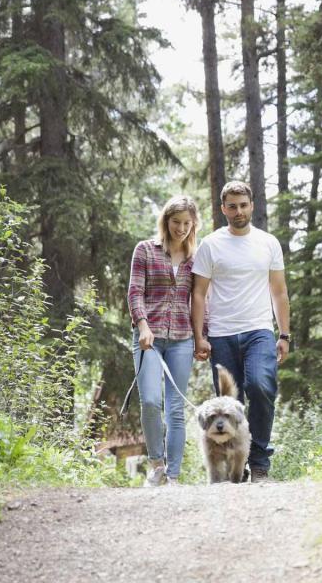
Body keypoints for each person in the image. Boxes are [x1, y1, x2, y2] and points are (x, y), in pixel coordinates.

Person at [191, 181, 290, 483]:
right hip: (221, 333)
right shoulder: (210, 244)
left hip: (259, 330)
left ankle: (259, 463)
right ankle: (235, 462)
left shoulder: (268, 243)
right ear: (223, 209)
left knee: (261, 386)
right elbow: (198, 294)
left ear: (252, 206)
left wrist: (284, 334)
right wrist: (199, 336)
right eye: (232, 206)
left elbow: (279, 292)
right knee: (229, 403)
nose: (238, 211)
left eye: (243, 205)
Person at [127, 195, 201, 486]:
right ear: (165, 221)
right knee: (149, 401)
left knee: (175, 408)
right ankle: (156, 465)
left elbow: (199, 301)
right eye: (175, 222)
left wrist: (201, 337)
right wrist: (142, 325)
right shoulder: (145, 250)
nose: (181, 228)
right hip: (149, 338)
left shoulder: (196, 259)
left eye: (186, 223)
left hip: (182, 339)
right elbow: (135, 292)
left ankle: (173, 476)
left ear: (193, 224)